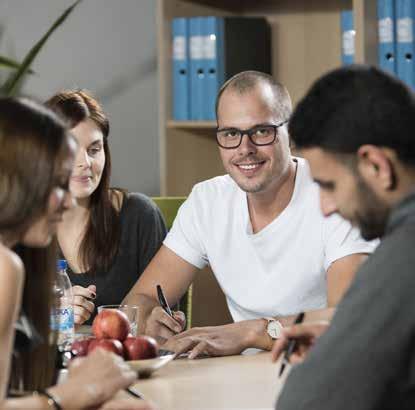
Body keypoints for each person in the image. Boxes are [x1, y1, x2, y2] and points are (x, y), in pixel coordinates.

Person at [124, 70, 377, 358]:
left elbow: (348, 321)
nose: (245, 149)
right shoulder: (207, 201)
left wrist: (254, 332)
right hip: (244, 379)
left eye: (261, 131)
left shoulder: (336, 196)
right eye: (231, 133)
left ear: (291, 131)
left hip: (324, 370)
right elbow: (137, 300)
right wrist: (147, 321)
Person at [271, 65, 415, 409]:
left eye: (328, 185)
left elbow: (306, 403)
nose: (325, 207)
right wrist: (350, 342)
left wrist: (343, 355)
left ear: (377, 166)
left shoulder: (403, 254)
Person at [0, 97, 152, 409]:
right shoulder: (5, 267)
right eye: (57, 183)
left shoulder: (14, 263)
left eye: (95, 149)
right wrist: (71, 395)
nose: (68, 201)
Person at [45, 90, 167, 325]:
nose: (85, 163)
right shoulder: (25, 226)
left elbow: (162, 315)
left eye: (94, 150)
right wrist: (53, 315)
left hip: (127, 359)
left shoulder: (140, 216)